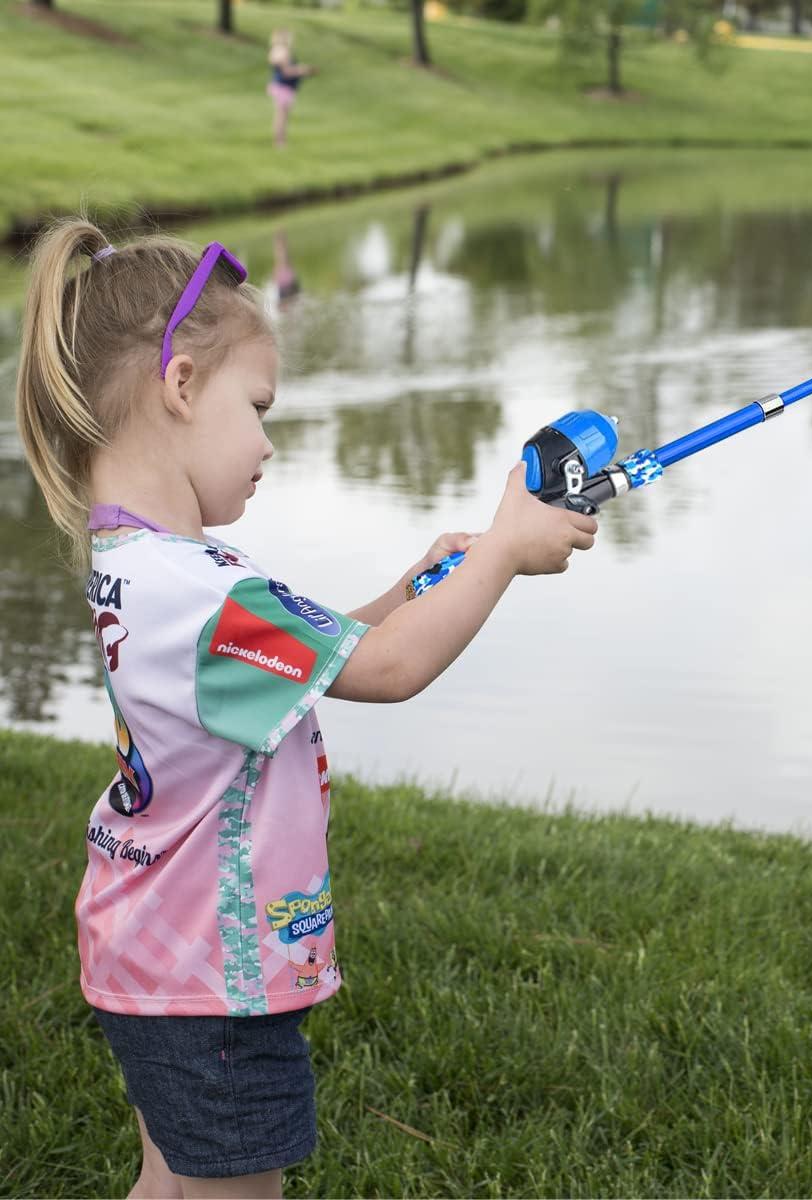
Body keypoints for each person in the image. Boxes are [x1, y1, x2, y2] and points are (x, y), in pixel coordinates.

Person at [14, 218, 597, 1199]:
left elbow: (327, 658)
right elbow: (390, 671)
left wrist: (409, 588)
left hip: (160, 960)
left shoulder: (149, 569)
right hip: (212, 983)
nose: (269, 441)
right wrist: (501, 549)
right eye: (258, 405)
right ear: (183, 385)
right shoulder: (194, 593)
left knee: (171, 1185)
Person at [266, 29, 315, 149]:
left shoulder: (275, 51)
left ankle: (280, 140)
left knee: (281, 115)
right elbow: (287, 72)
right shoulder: (284, 52)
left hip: (280, 86)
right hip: (284, 87)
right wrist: (303, 70)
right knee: (282, 116)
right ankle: (279, 142)